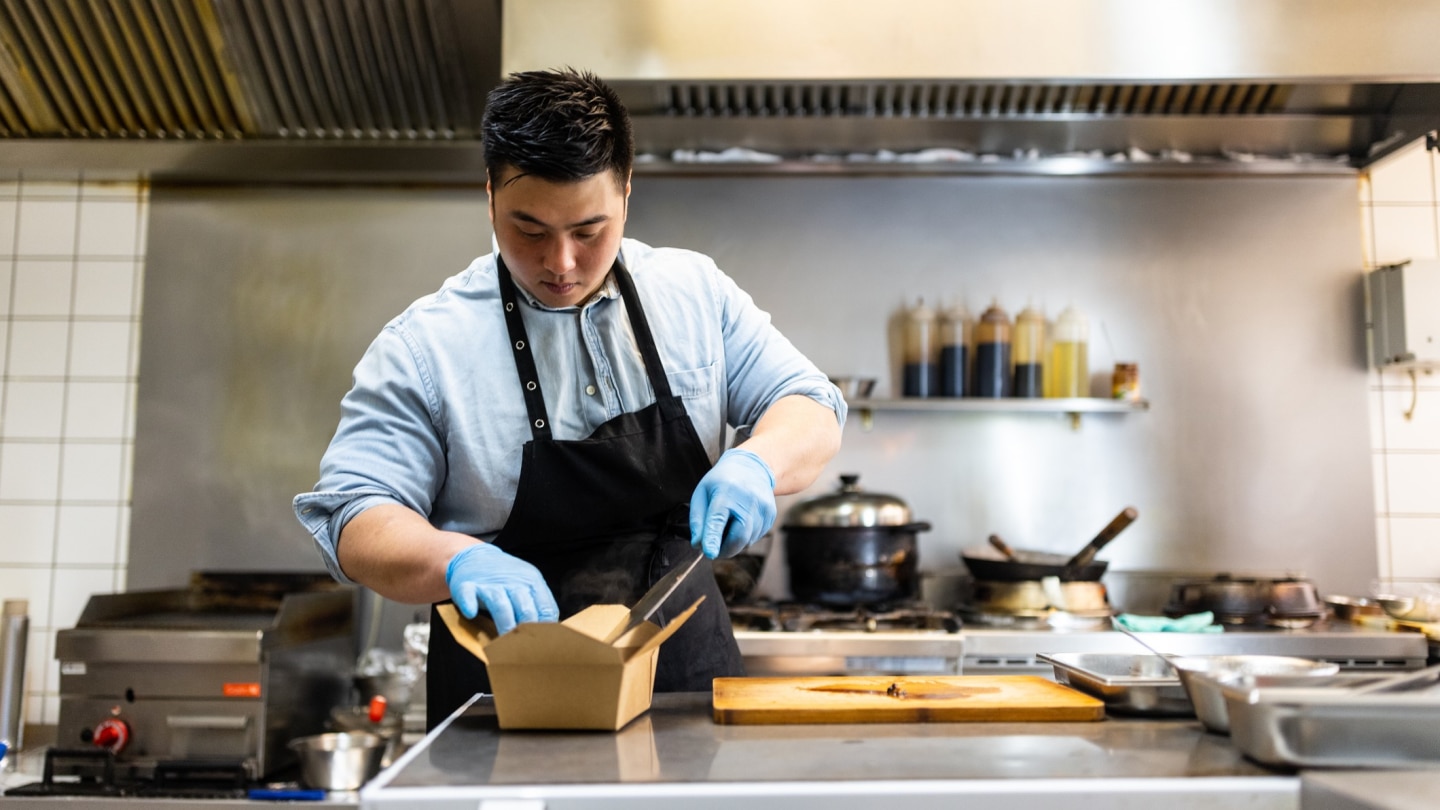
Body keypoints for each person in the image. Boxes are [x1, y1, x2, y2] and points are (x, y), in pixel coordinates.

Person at [293, 68, 845, 729]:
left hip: (685, 690)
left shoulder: (694, 294)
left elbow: (807, 401)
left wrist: (758, 461)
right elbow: (355, 516)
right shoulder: (426, 346)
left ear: (627, 193)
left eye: (589, 230)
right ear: (490, 194)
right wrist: (454, 557)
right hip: (503, 699)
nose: (561, 262)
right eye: (528, 228)